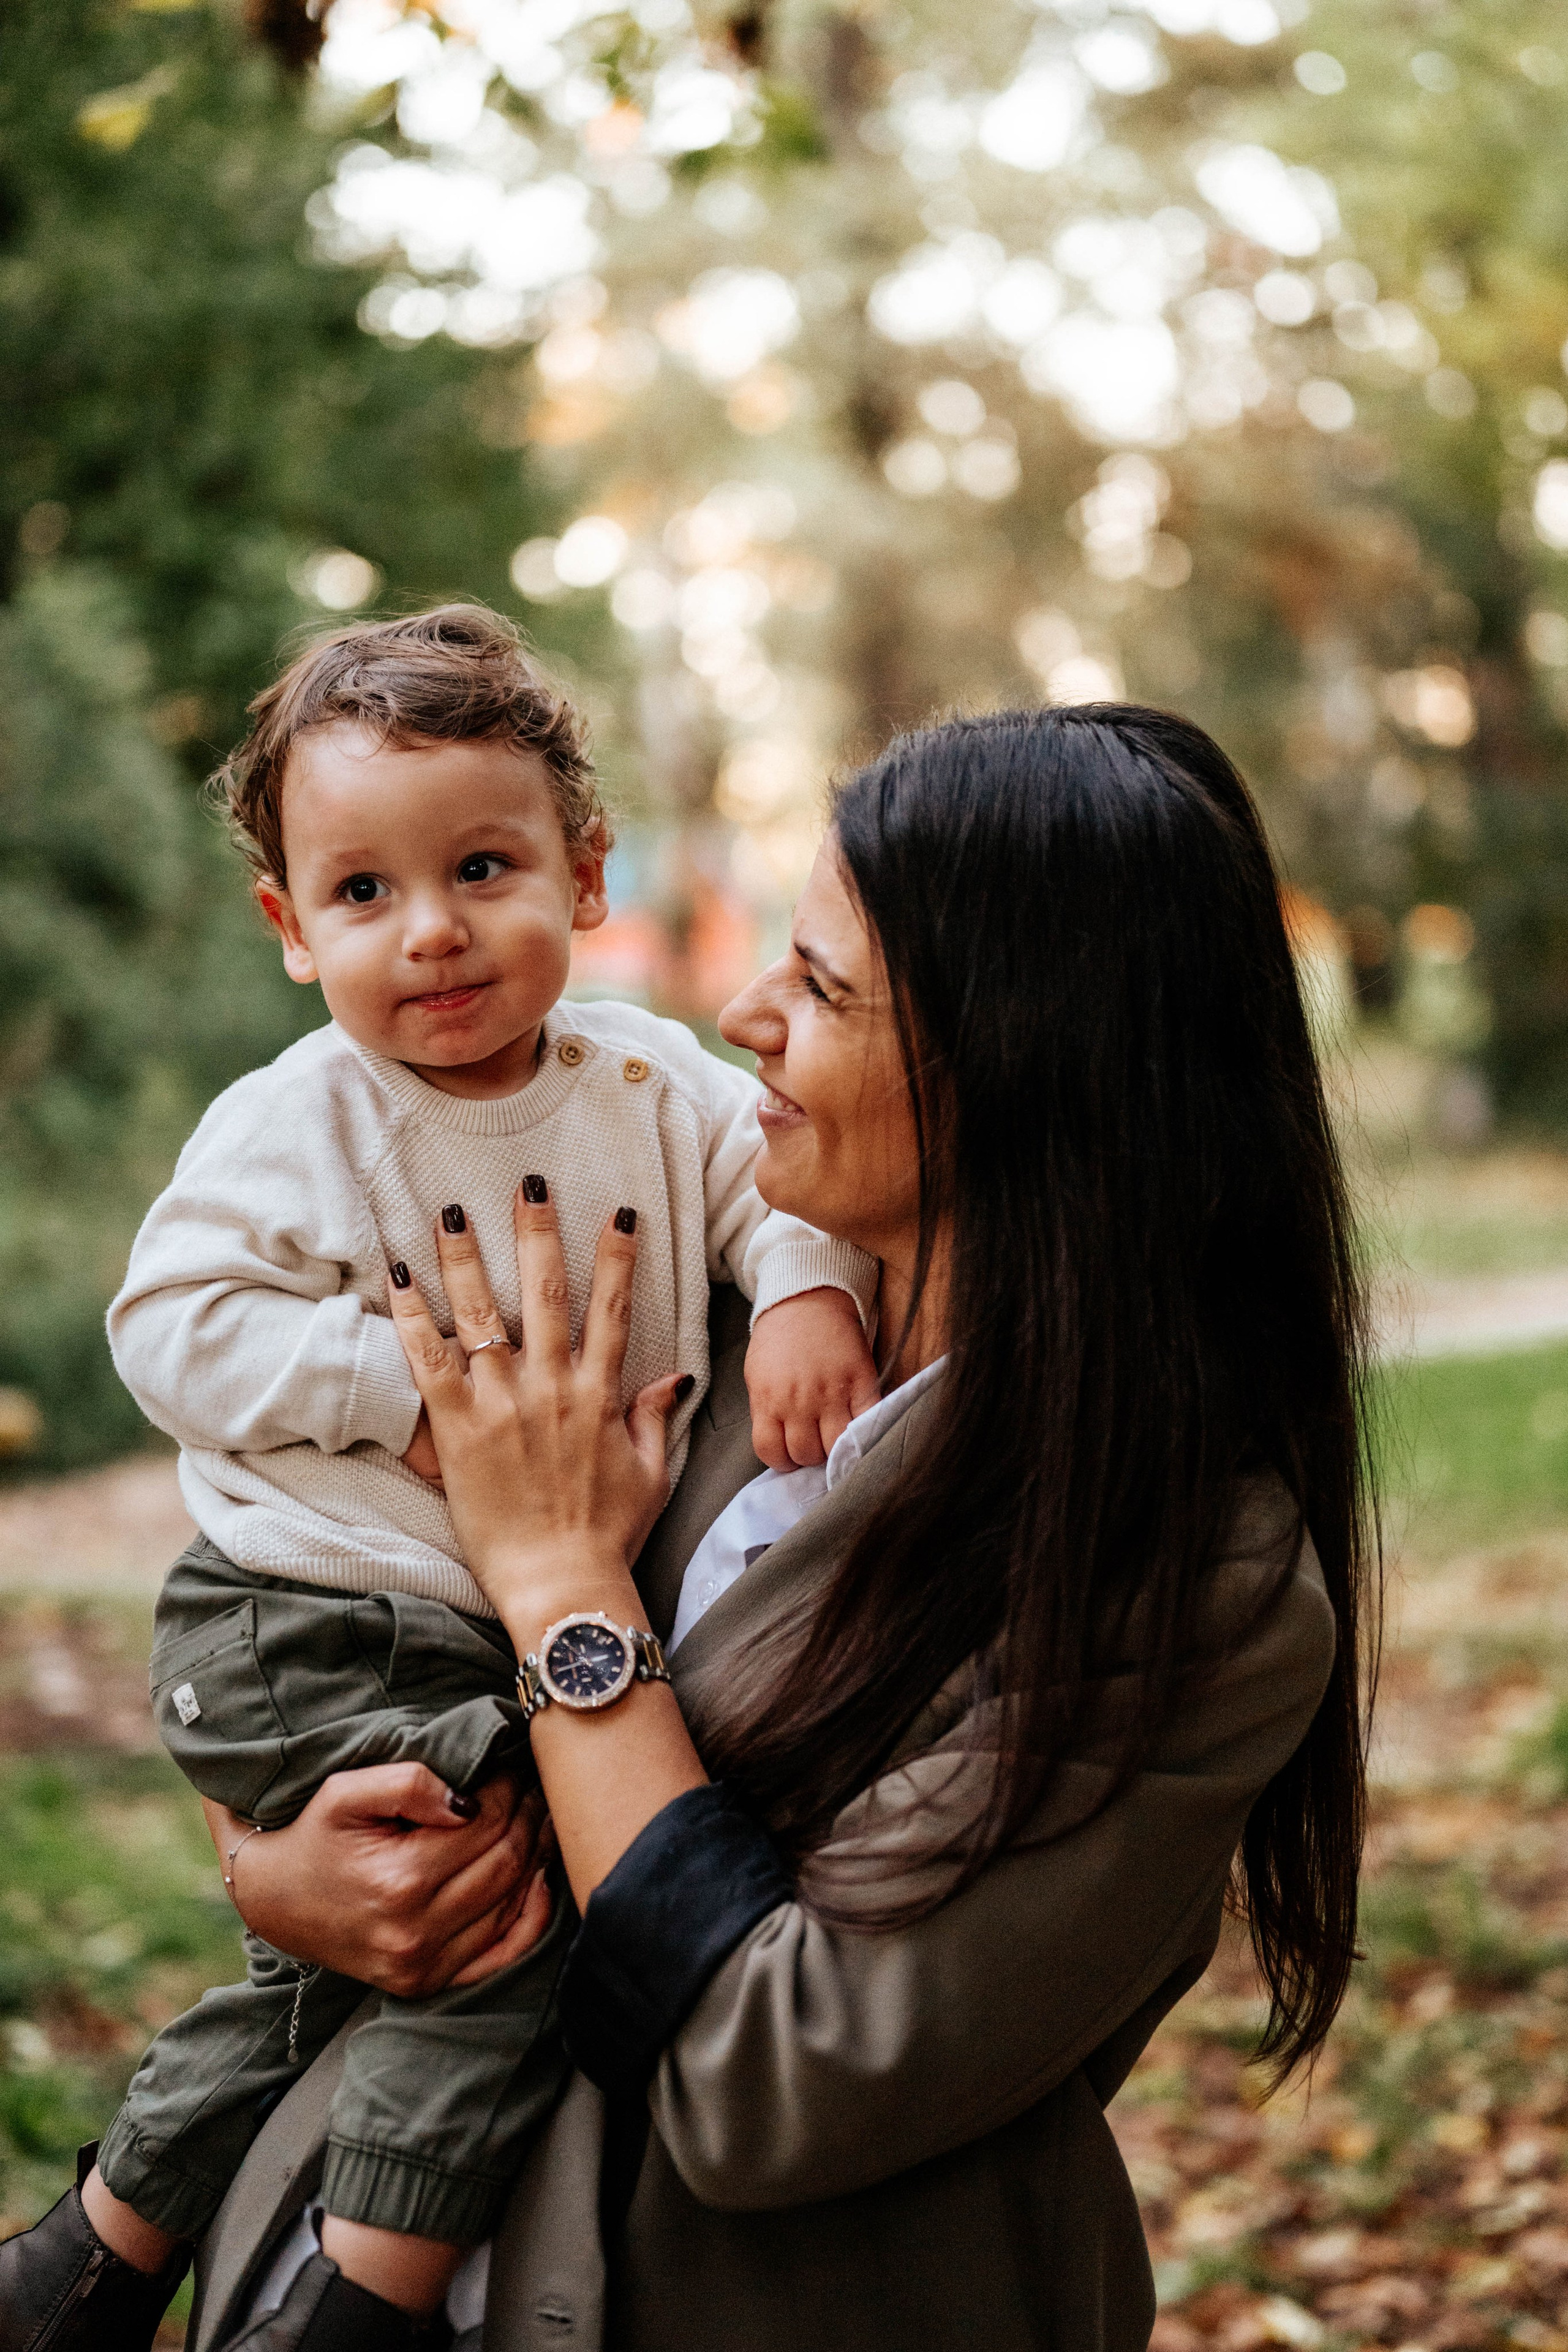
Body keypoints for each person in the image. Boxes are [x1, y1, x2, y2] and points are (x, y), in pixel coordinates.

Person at [80, 704, 1379, 2351]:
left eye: (826, 990)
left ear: (1026, 1060)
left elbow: (784, 2078)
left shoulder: (1190, 1579)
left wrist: (564, 1583)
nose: (747, 1015)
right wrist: (278, 1868)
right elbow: (326, 1575)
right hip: (350, 2244)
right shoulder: (689, 1325)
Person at [0, 607, 878, 2352]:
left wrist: (805, 1300)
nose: (433, 933)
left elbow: (780, 1207)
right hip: (303, 1613)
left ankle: (89, 2261)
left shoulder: (656, 1085)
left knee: (327, 1977)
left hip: (455, 1637)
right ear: (287, 927)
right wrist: (409, 1393)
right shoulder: (299, 1120)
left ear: (586, 868)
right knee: (521, 1925)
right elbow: (166, 1324)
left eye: (484, 866)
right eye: (362, 895)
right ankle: (358, 2304)